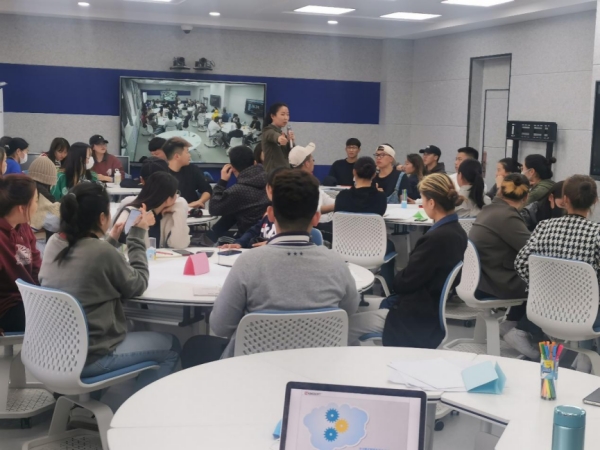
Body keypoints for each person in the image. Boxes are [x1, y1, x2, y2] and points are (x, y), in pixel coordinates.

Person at [200, 170, 360, 360]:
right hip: (318, 366)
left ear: (270, 214)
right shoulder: (337, 264)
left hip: (252, 368)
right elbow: (350, 310)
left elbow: (220, 326)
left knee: (196, 346)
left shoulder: (248, 264)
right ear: (316, 218)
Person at [40, 183, 180, 391]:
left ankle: (86, 402)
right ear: (102, 218)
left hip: (54, 352)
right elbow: (138, 283)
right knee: (172, 346)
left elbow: (87, 260)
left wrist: (110, 240)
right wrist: (137, 236)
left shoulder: (54, 243)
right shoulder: (101, 252)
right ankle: (139, 407)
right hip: (91, 357)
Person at [348, 173, 467, 348]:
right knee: (359, 307)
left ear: (431, 203)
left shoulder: (435, 239)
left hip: (412, 316)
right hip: (425, 310)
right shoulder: (458, 232)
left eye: (423, 200)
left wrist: (401, 274)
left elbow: (403, 283)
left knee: (343, 324)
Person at [514, 175, 600, 366]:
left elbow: (520, 263)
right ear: (595, 201)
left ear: (565, 199)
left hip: (544, 312)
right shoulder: (596, 233)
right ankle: (588, 365)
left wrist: (543, 288)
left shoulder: (544, 227)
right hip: (585, 316)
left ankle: (581, 363)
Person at [335, 157, 395, 290]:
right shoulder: (380, 198)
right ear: (374, 174)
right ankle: (389, 290)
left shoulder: (342, 197)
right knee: (390, 245)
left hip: (344, 249)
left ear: (354, 172)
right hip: (373, 250)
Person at [470, 174, 530, 301]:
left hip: (481, 281)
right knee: (548, 281)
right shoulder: (508, 217)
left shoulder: (488, 210)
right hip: (499, 285)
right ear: (526, 197)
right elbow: (532, 250)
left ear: (500, 191)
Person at [0, 175, 41, 333]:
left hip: (28, 297)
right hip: (7, 307)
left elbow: (36, 266)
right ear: (21, 208)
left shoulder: (23, 227)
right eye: (36, 201)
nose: (37, 205)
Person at [206, 146, 269, 243]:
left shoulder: (238, 190)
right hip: (268, 233)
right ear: (255, 163)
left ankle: (207, 238)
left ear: (233, 168)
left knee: (232, 210)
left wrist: (222, 181)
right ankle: (208, 237)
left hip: (248, 239)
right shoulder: (270, 181)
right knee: (234, 211)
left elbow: (214, 208)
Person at [114, 171, 190, 249]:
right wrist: (142, 226)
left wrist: (179, 210)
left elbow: (179, 245)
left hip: (157, 257)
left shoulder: (168, 215)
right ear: (167, 199)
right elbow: (131, 248)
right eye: (175, 193)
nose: (177, 196)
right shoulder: (132, 213)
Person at [221, 167, 285, 250]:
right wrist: (239, 243)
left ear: (269, 189)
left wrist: (271, 243)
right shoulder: (267, 215)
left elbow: (293, 237)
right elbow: (253, 231)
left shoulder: (289, 215)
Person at [289, 143, 335, 221]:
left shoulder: (306, 181)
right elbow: (314, 210)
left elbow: (326, 199)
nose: (313, 162)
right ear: (307, 164)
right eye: (312, 160)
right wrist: (337, 206)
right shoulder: (302, 185)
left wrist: (342, 202)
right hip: (315, 225)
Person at [164, 138, 212, 209]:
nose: (190, 155)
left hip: (193, 211)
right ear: (177, 156)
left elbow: (207, 190)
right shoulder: (162, 175)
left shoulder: (192, 169)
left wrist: (200, 201)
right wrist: (187, 206)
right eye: (187, 152)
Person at [27, 156, 61, 238]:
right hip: (35, 241)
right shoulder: (46, 202)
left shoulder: (21, 189)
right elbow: (57, 224)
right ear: (50, 183)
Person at [262, 103, 294, 173]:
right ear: (273, 116)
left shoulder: (282, 133)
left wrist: (290, 141)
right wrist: (279, 139)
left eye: (287, 114)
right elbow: (273, 135)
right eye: (282, 114)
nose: (286, 118)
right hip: (273, 174)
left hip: (284, 173)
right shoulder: (267, 130)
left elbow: (291, 154)